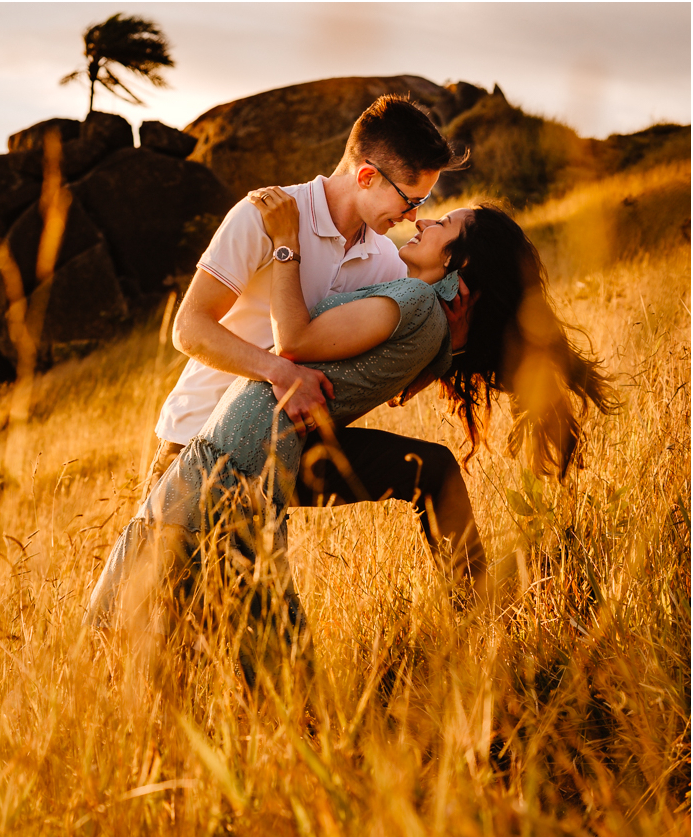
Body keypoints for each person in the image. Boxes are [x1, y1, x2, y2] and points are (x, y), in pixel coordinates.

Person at [87, 198, 613, 678]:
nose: (422, 219)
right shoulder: (413, 293)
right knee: (200, 610)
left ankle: (477, 628)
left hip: (264, 441)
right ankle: (477, 626)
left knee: (220, 604)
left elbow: (303, 346)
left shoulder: (414, 298)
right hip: (239, 440)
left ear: (462, 268)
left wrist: (285, 242)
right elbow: (373, 369)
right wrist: (447, 343)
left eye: (443, 223)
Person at [142, 94, 476, 570]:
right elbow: (190, 328)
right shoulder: (266, 215)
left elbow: (392, 376)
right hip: (197, 443)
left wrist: (454, 340)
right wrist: (278, 371)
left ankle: (479, 621)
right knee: (171, 627)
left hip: (290, 449)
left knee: (433, 470)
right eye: (411, 199)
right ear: (366, 176)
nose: (412, 217)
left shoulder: (384, 261)